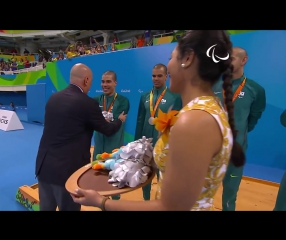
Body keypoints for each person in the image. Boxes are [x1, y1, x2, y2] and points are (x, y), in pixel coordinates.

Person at [70, 30, 246, 211]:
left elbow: (169, 207)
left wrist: (101, 202)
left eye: (171, 57)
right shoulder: (205, 110)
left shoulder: (194, 121)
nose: (168, 66)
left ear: (188, 59)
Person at [35, 63, 127, 211]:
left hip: (44, 168)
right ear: (86, 80)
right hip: (67, 173)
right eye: (91, 82)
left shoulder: (54, 98)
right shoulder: (88, 103)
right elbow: (107, 130)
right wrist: (119, 121)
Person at [213, 47, 266, 211]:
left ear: (244, 60)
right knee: (200, 191)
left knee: (230, 193)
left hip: (236, 150)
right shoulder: (211, 85)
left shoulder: (255, 89)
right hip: (209, 149)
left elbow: (254, 117)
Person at [134, 63, 182, 201]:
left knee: (164, 179)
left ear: (166, 76)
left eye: (159, 76)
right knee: (144, 176)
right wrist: (137, 143)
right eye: (153, 76)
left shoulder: (175, 97)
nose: (156, 78)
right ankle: (146, 202)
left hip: (165, 146)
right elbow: (140, 121)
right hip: (146, 145)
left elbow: (179, 122)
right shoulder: (144, 96)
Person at [93, 70, 130, 201]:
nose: (105, 84)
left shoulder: (123, 101)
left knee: (115, 184)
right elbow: (99, 121)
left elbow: (113, 126)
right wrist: (107, 121)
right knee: (97, 181)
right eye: (103, 81)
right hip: (98, 148)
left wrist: (101, 121)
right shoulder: (95, 100)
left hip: (114, 149)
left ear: (115, 83)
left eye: (108, 81)